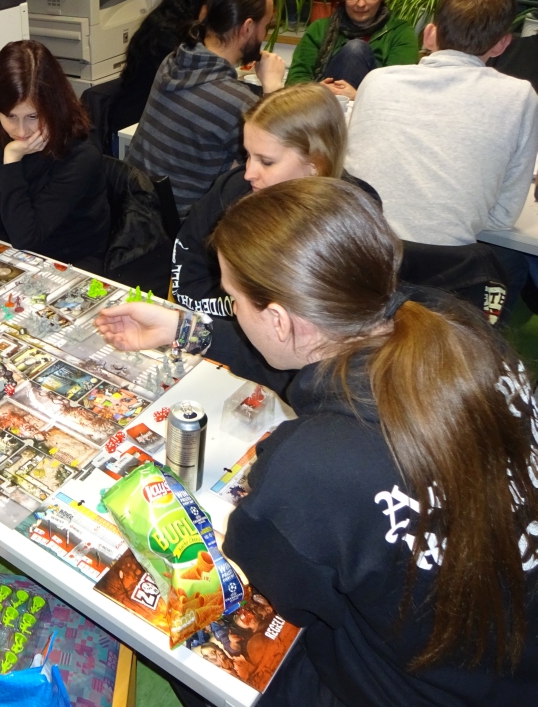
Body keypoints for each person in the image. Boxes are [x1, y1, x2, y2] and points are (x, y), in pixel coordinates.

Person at [96, 177, 538, 706]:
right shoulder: (459, 333)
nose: (231, 309)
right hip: (512, 651)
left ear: (279, 319)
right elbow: (307, 354)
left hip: (420, 689)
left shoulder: (310, 466)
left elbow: (291, 597)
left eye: (232, 300)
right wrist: (184, 328)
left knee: (189, 617)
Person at [345, 0, 538, 305]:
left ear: (430, 33)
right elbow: (502, 218)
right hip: (446, 276)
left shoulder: (376, 81)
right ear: (502, 44)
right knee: (512, 262)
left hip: (358, 260)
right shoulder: (519, 98)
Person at [171, 82, 374, 317]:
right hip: (219, 324)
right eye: (247, 155)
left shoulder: (353, 222)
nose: (248, 173)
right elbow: (188, 280)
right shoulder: (230, 192)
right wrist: (242, 310)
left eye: (266, 162)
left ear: (315, 165)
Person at [125, 0, 287, 217]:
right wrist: (273, 87)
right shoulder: (234, 101)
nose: (265, 34)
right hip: (184, 225)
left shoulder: (174, 61)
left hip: (136, 208)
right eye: (265, 25)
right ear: (247, 28)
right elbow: (282, 151)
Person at [0, 40, 110, 271]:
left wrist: (12, 161)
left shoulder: (80, 153)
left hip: (69, 260)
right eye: (10, 116)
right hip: (9, 253)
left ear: (53, 107)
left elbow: (26, 238)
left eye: (33, 117)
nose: (21, 131)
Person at [111, 0, 229, 135]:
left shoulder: (187, 26)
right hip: (137, 125)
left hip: (162, 120)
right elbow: (193, 88)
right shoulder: (164, 34)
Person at [285, 0, 418, 98]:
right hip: (322, 104)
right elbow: (294, 81)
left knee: (355, 48)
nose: (361, 4)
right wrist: (317, 90)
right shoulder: (319, 28)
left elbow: (397, 89)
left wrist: (358, 96)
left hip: (372, 106)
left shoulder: (401, 32)